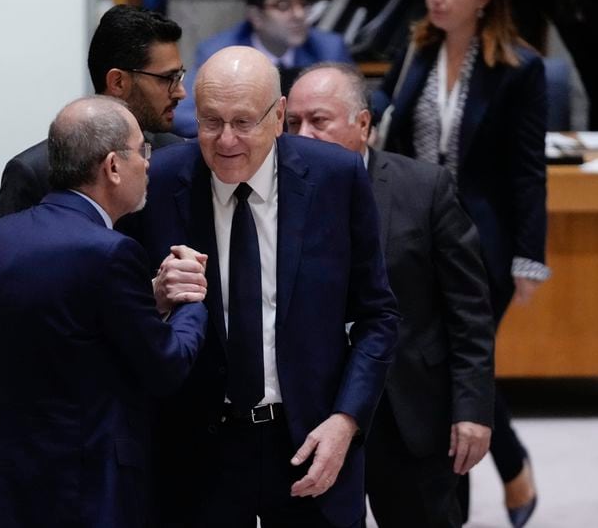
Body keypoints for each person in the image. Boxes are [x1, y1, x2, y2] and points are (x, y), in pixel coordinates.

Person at [117, 45, 399, 528]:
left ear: (279, 115)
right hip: (198, 448)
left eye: (243, 122)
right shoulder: (158, 184)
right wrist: (156, 295)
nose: (226, 141)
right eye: (210, 122)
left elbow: (378, 317)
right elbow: (121, 321)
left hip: (309, 438)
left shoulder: (336, 177)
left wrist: (346, 421)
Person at [0, 96, 209, 528]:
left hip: (4, 481)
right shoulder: (111, 252)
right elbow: (166, 366)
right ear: (112, 166)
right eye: (142, 151)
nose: (148, 164)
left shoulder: (0, 237)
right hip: (86, 490)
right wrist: (191, 300)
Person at [287, 62, 495, 527]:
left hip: (410, 410)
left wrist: (473, 409)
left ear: (363, 125)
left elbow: (469, 312)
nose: (302, 135)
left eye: (318, 121)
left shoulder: (424, 189)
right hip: (315, 412)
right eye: (291, 123)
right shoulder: (274, 198)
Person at [372, 0, 549, 526]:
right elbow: (385, 113)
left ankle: (509, 467)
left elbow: (527, 170)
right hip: (413, 233)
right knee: (435, 367)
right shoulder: (415, 48)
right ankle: (464, 496)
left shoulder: (520, 66)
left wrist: (529, 256)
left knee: (460, 361)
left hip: (482, 244)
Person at [0, 4, 187, 220]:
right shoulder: (33, 173)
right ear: (118, 82)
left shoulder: (175, 155)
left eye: (179, 77)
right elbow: (11, 252)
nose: (181, 92)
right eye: (168, 79)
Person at [171, 0, 353, 138]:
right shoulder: (220, 51)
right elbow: (180, 114)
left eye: (302, 3)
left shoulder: (329, 49)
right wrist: (249, 124)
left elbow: (357, 106)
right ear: (256, 16)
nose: (298, 15)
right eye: (284, 5)